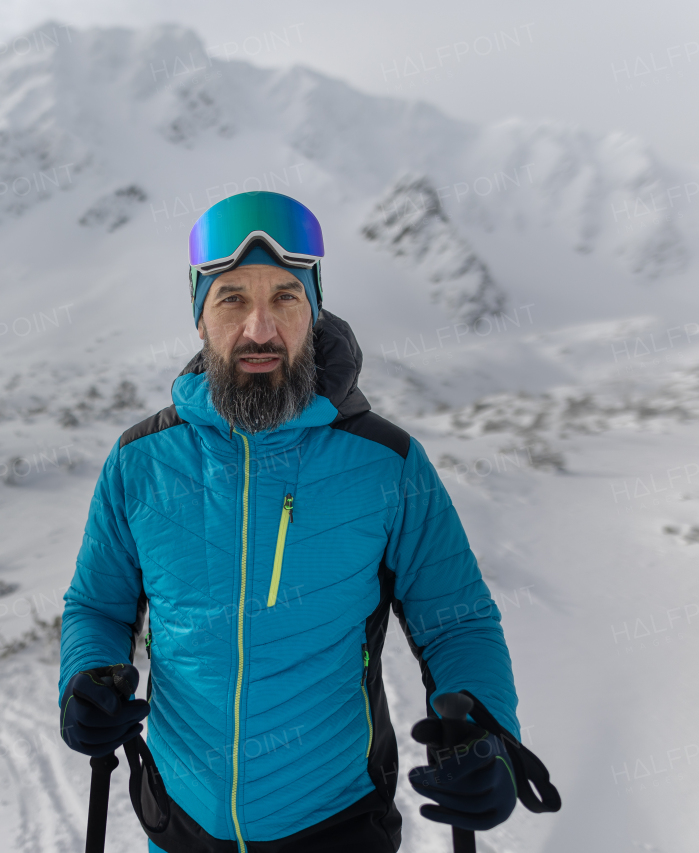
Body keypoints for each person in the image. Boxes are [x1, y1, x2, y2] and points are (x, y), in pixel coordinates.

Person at [59, 191, 554, 852]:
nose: (260, 329)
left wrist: (489, 736)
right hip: (177, 825)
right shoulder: (139, 461)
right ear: (200, 317)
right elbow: (98, 605)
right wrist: (87, 676)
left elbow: (456, 619)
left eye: (286, 298)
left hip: (336, 825)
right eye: (232, 298)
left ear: (314, 311)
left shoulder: (387, 463)